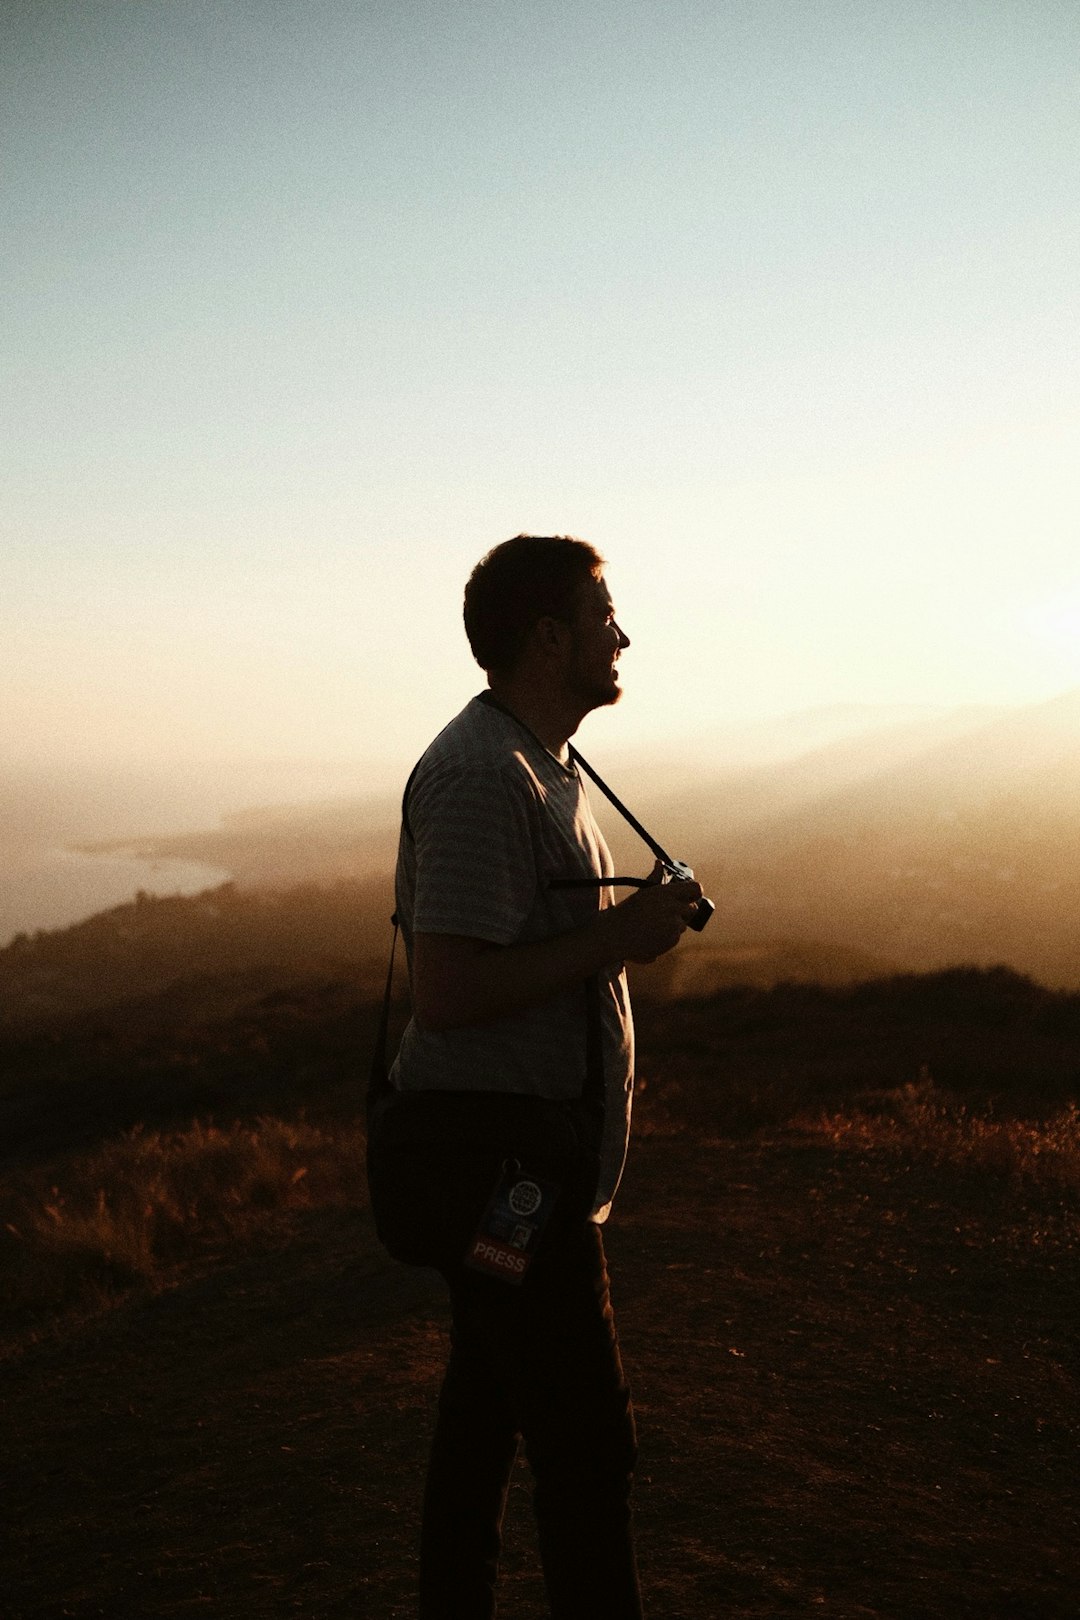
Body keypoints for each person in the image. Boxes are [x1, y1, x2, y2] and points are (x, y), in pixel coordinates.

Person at [388, 534, 702, 1619]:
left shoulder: (542, 762)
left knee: (486, 1403)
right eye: (602, 615)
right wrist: (626, 936)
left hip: (524, 1161)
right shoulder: (484, 776)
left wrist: (624, 928)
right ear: (548, 636)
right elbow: (451, 993)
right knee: (586, 1442)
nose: (622, 635)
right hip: (505, 1169)